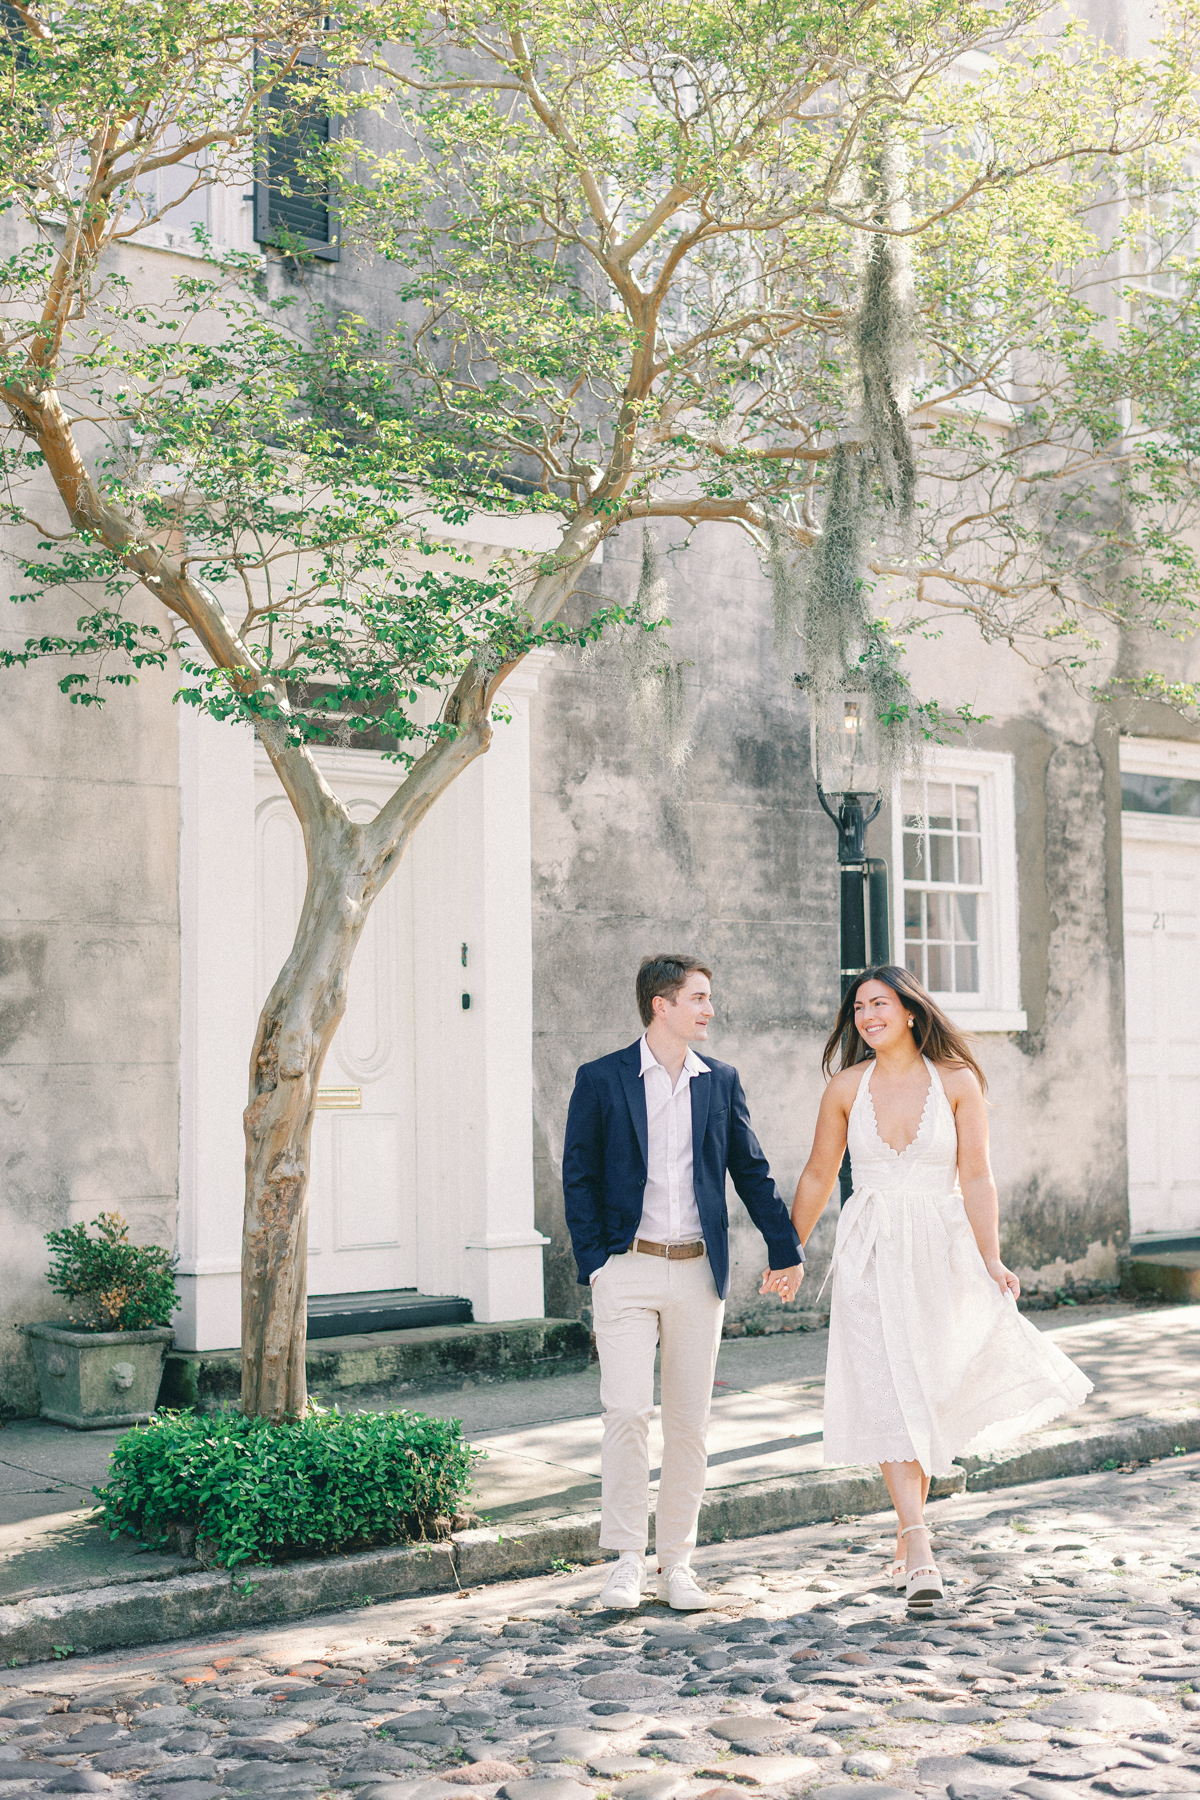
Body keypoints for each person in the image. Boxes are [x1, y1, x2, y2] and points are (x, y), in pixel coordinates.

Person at [778, 964, 1092, 1611]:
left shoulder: (956, 1081)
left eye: (879, 1003)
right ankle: (918, 1541)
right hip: (869, 1251)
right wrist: (790, 1250)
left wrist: (991, 1258)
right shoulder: (846, 1087)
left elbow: (977, 1176)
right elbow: (817, 1174)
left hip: (940, 1251)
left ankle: (907, 1530)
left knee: (924, 1386)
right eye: (858, 1007)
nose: (867, 1016)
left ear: (911, 1011)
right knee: (888, 1389)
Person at [563, 953, 804, 1611]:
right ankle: (625, 1561)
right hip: (627, 1269)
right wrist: (597, 1265)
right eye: (698, 998)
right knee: (625, 1413)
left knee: (689, 1423)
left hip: (698, 1273)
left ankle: (677, 1564)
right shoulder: (601, 1078)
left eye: (708, 998)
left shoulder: (719, 1081)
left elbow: (750, 1171)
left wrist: (785, 1248)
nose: (709, 1010)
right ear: (661, 1005)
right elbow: (578, 1175)